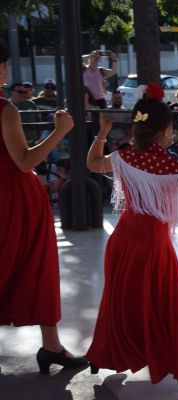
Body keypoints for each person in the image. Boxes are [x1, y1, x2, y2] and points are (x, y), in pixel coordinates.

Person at [85, 83, 178, 392]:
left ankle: (103, 354)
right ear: (164, 130)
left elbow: (91, 164)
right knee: (168, 305)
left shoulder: (124, 157)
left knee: (121, 300)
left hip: (123, 241)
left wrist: (102, 133)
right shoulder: (168, 165)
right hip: (153, 246)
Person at [0, 38, 87, 374]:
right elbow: (23, 162)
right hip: (16, 201)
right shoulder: (5, 109)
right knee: (37, 267)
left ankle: (52, 345)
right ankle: (51, 346)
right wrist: (58, 131)